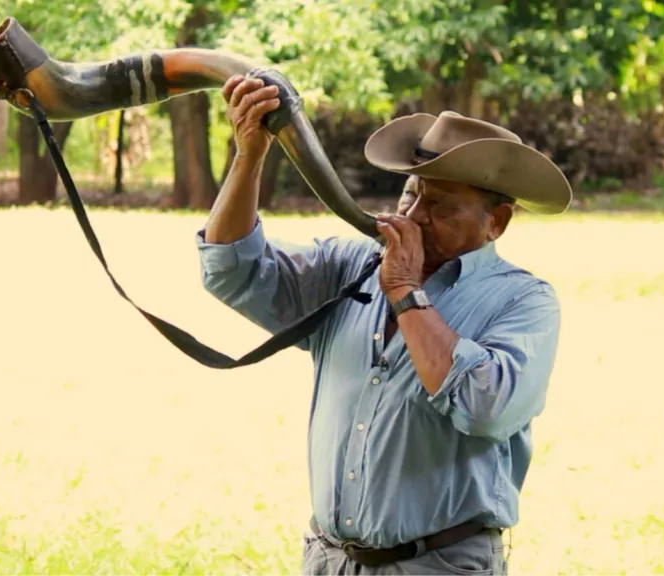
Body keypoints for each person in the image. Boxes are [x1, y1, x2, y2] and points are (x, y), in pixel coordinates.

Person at [196, 75, 572, 576]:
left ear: (496, 223)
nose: (413, 217)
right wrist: (249, 157)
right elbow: (231, 269)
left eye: (439, 206)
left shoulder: (524, 301)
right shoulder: (352, 263)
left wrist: (403, 289)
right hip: (330, 560)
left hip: (441, 565)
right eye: (410, 195)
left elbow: (485, 408)